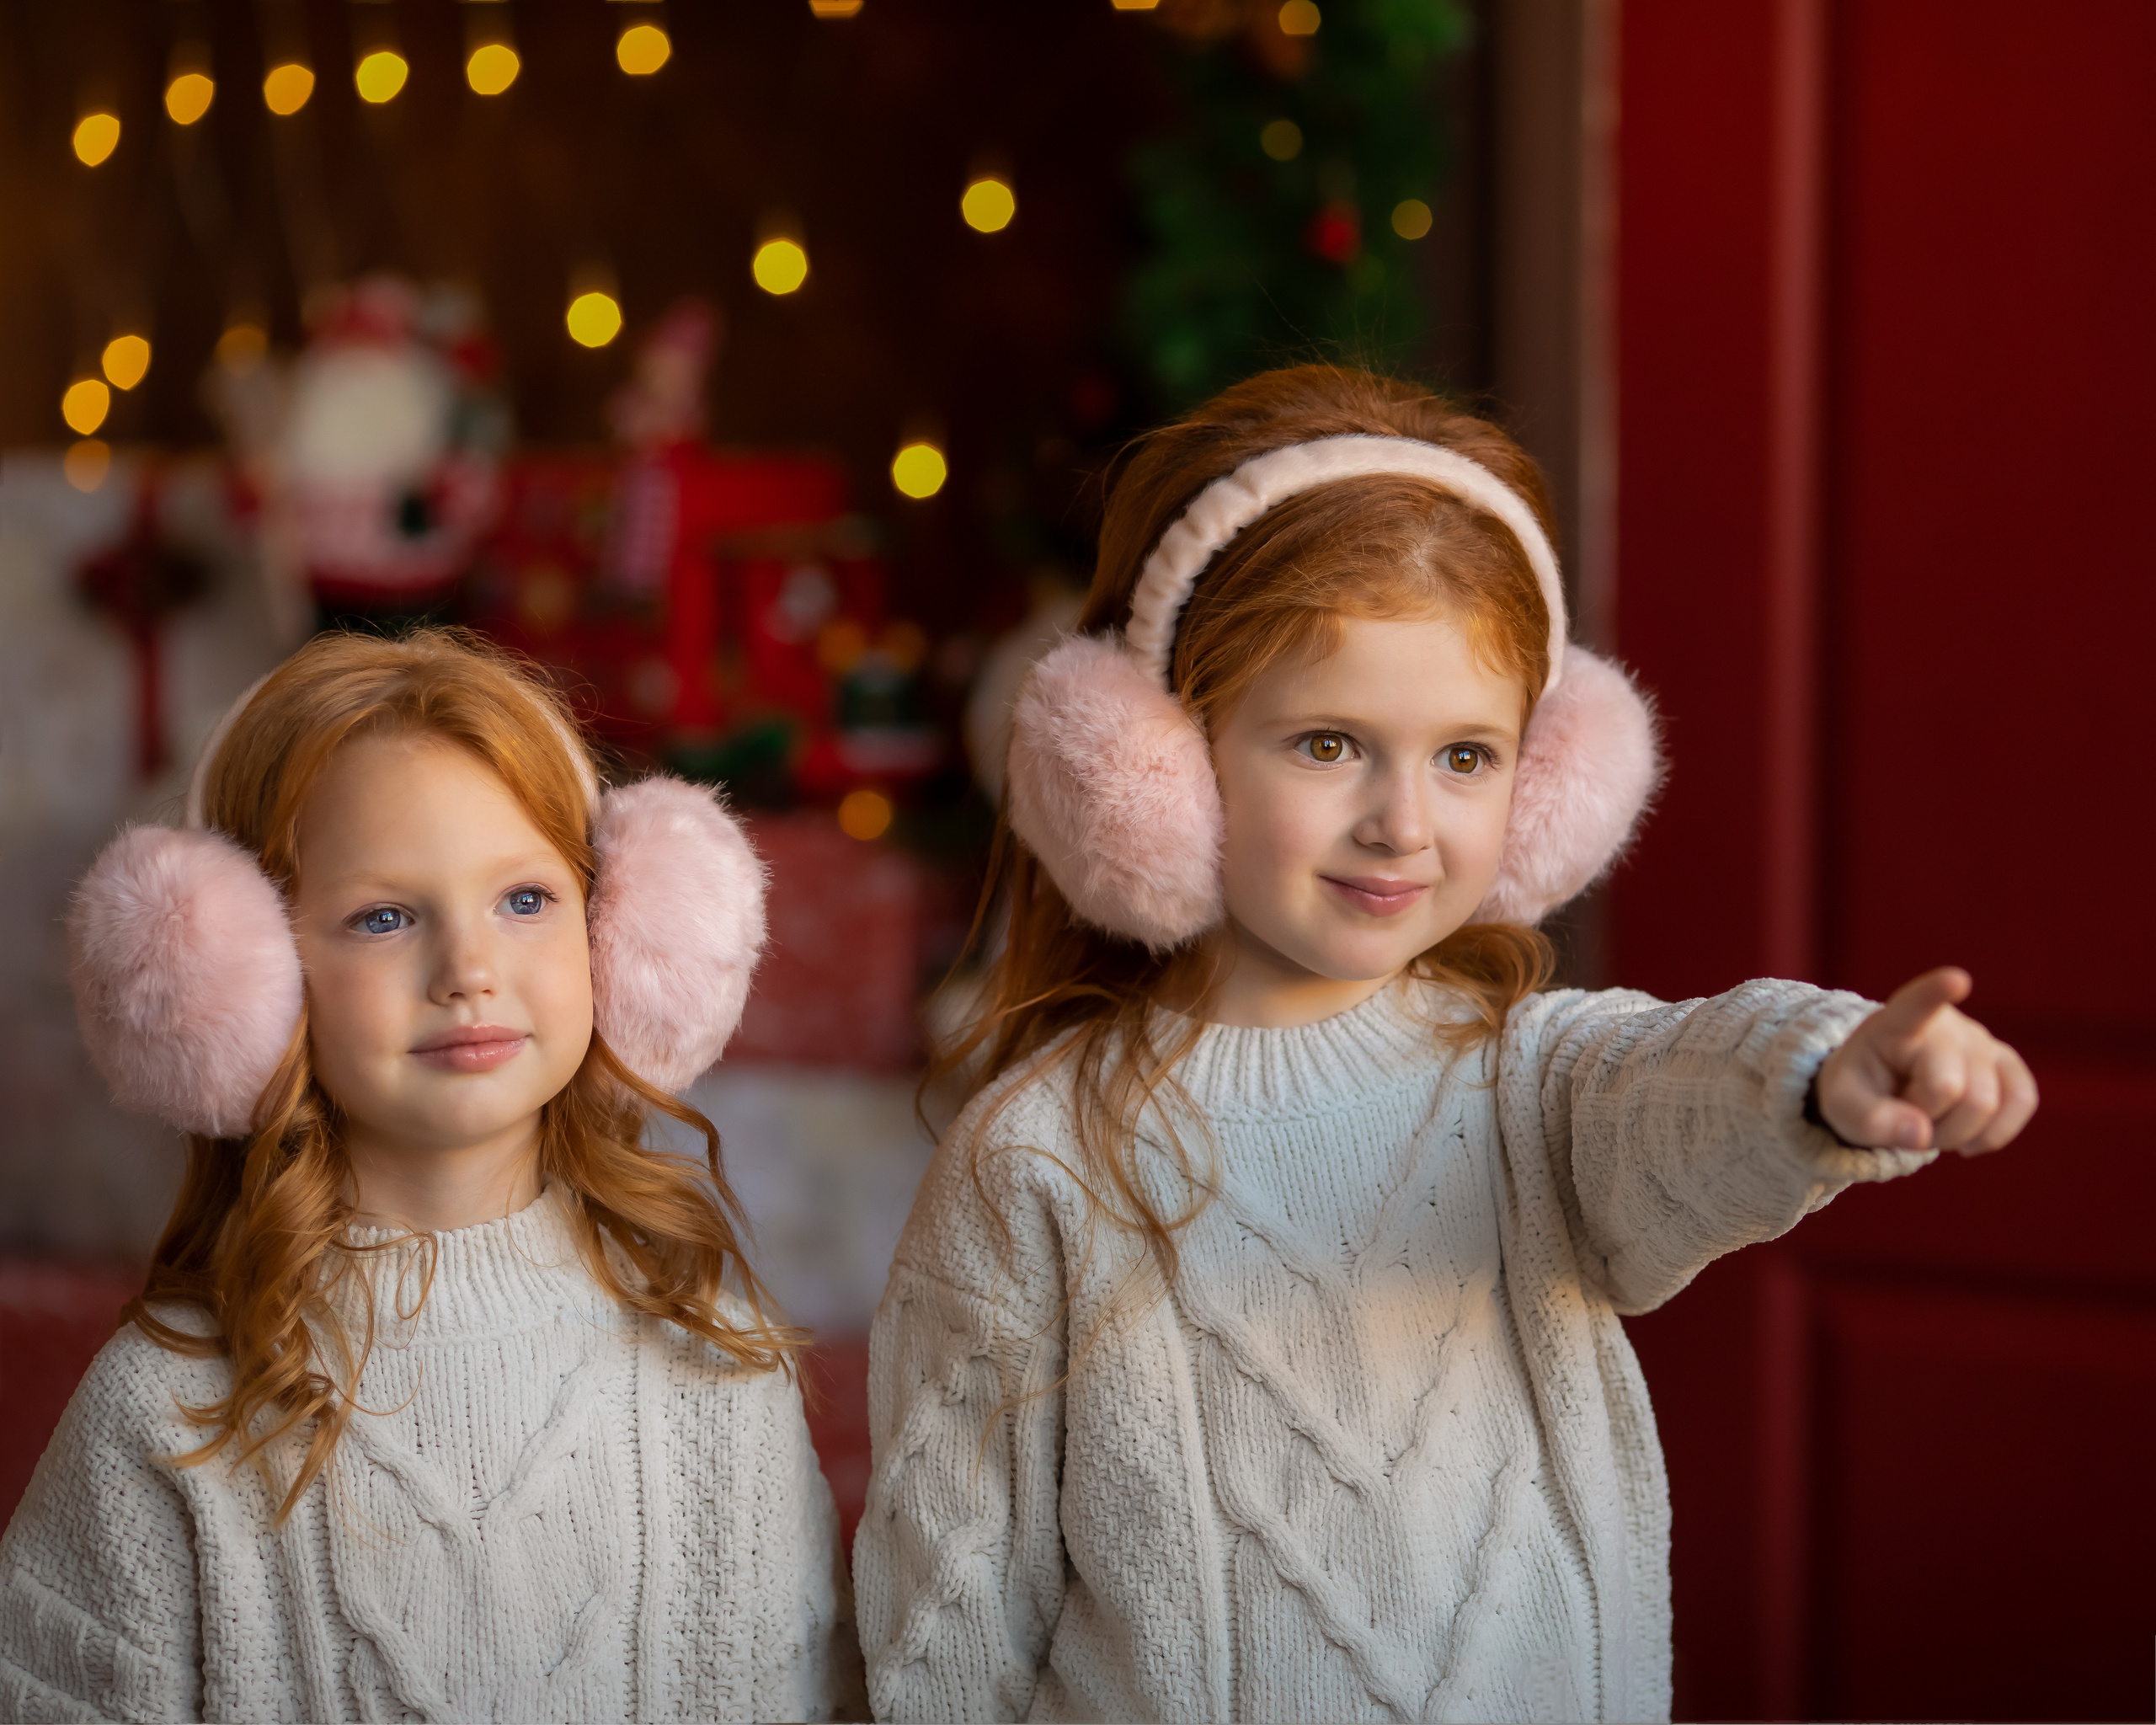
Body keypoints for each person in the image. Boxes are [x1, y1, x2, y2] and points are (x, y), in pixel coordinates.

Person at [851, 366, 2036, 1724]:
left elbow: (1684, 1091)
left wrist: (1825, 1073)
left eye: (1467, 757)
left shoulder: (1536, 1085)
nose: (1403, 824)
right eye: (1330, 743)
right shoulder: (1041, 1160)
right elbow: (947, 1620)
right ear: (1151, 770)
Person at [0, 628, 863, 1722]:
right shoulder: (166, 1412)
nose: (469, 972)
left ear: (616, 934)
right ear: (238, 985)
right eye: (385, 917)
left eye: (524, 900)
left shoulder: (718, 1365)